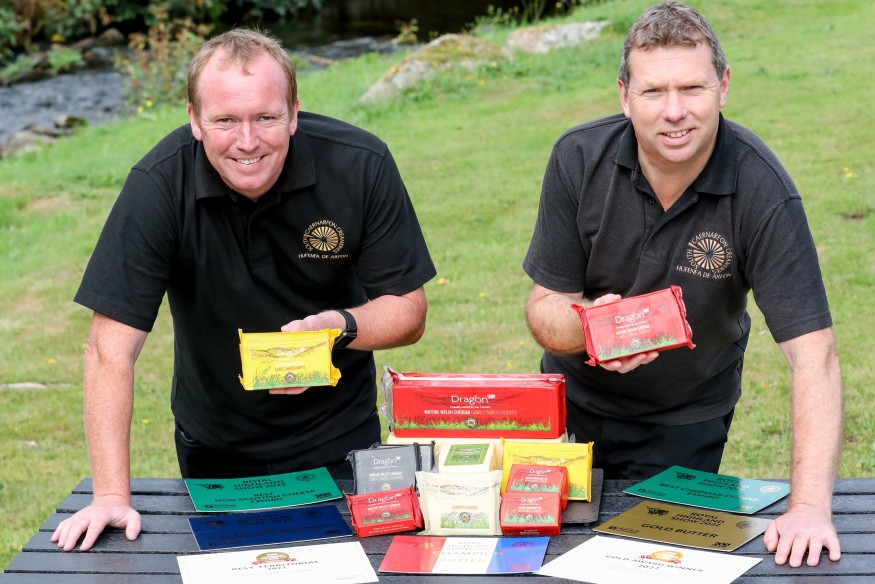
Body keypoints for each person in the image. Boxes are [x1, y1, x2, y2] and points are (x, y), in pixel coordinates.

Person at [52, 28, 436, 552]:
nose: (248, 141)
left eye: (266, 117)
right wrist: (112, 495)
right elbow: (109, 351)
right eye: (225, 120)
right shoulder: (159, 185)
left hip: (340, 438)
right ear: (194, 120)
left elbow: (409, 311)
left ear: (293, 113)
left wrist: (338, 329)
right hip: (215, 448)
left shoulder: (360, 164)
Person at [523, 0, 842, 569]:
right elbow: (546, 304)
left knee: (655, 569)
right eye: (653, 91)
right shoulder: (577, 157)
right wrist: (592, 329)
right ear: (625, 96)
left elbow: (813, 355)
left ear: (724, 87)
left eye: (692, 88)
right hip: (570, 410)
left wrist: (810, 507)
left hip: (685, 419)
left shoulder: (762, 189)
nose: (674, 112)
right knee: (551, 564)